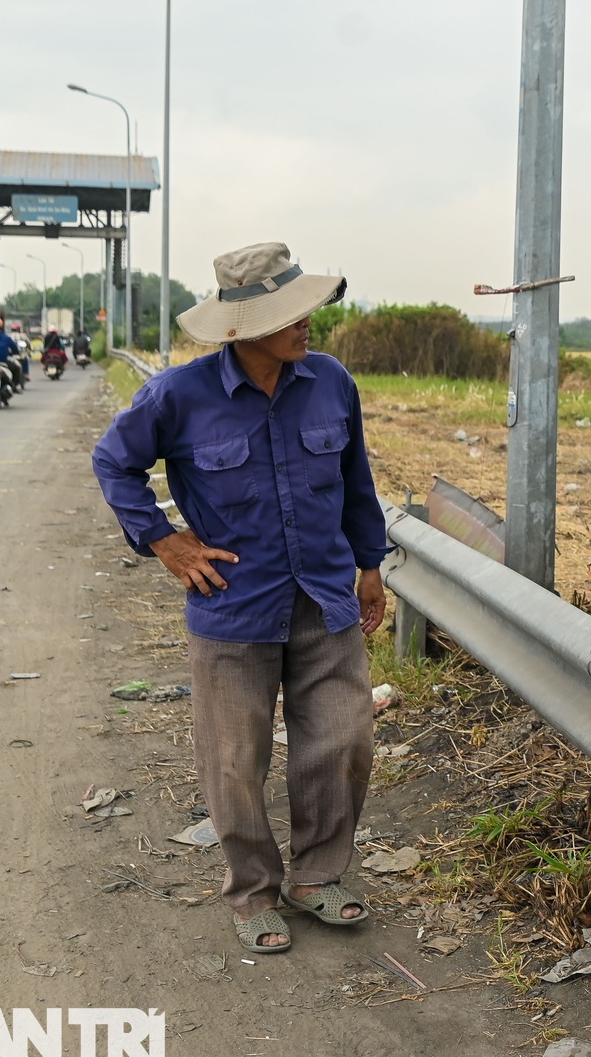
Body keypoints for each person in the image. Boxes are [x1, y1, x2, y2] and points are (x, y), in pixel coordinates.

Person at [92, 242, 387, 954]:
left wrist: (370, 565)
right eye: (288, 316)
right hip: (233, 606)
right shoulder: (178, 396)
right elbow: (114, 460)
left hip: (322, 594)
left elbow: (357, 481)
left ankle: (316, 876)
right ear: (240, 327)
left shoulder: (330, 382)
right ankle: (253, 890)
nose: (306, 324)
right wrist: (165, 542)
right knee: (233, 759)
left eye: (305, 310)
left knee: (343, 739)